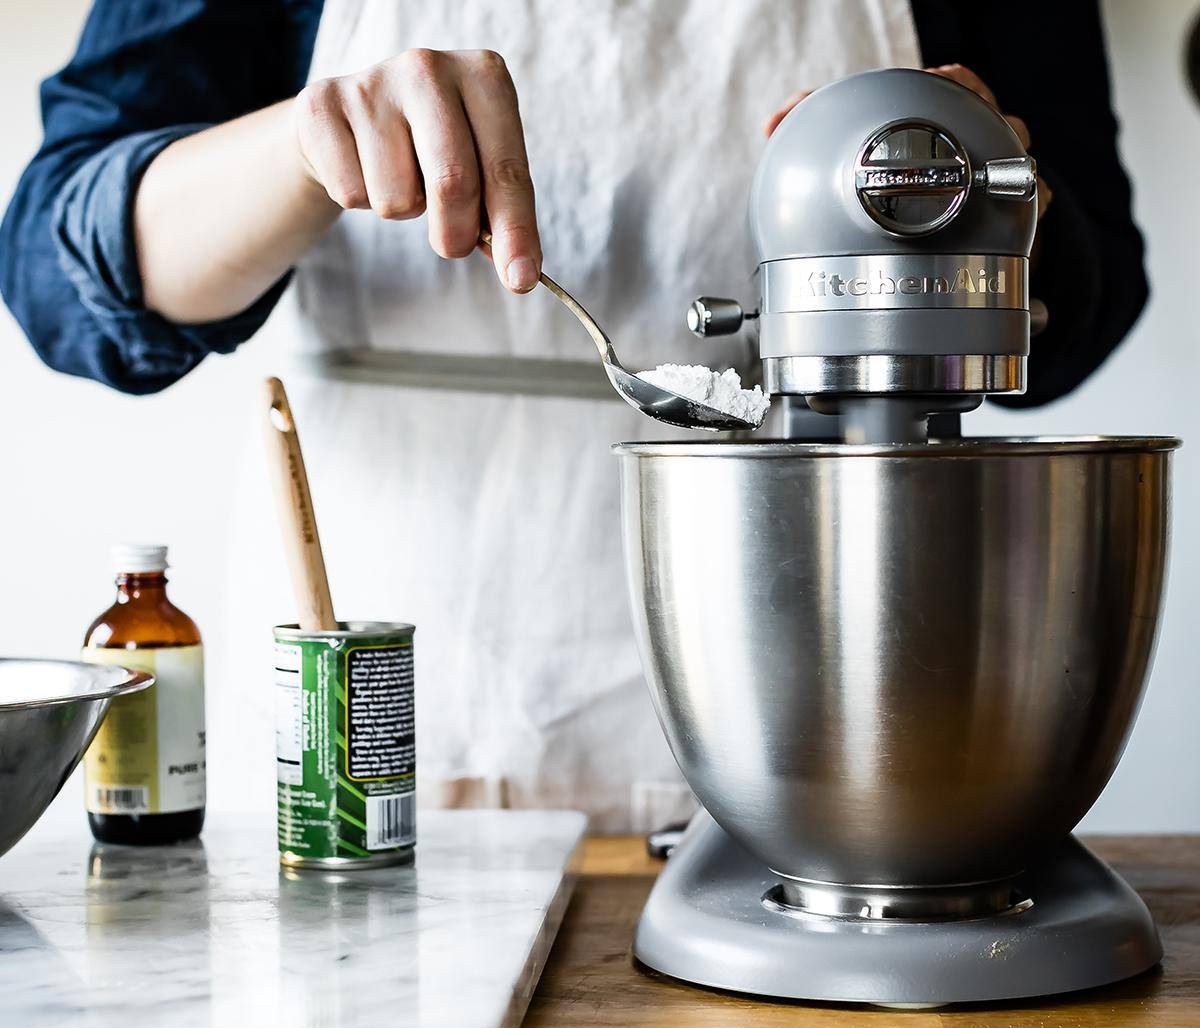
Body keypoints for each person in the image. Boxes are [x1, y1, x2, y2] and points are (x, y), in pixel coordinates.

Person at [0, 1, 1148, 831]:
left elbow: (1091, 290)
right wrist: (303, 149)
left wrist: (972, 197)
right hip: (382, 690)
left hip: (846, 697)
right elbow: (61, 263)